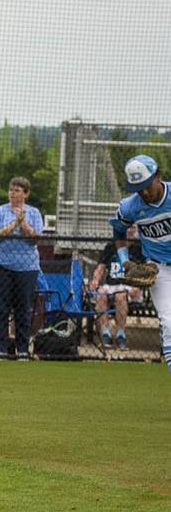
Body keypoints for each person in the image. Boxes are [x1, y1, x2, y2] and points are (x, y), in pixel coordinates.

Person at [111, 155, 171, 372]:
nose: (144, 192)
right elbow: (118, 231)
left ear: (158, 177)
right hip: (160, 269)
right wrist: (125, 261)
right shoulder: (130, 207)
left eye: (147, 186)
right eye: (138, 188)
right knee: (169, 323)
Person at [0, 175, 44, 360]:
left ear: (26, 194)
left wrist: (23, 223)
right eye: (11, 190)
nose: (12, 194)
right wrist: (13, 224)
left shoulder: (33, 213)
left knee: (23, 308)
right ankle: (0, 348)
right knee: (1, 308)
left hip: (26, 268)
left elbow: (35, 239)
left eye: (17, 191)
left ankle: (23, 349)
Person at [90, 225, 139, 350]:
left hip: (130, 286)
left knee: (120, 295)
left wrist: (138, 286)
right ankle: (105, 332)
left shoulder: (138, 248)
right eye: (126, 227)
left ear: (135, 230)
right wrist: (95, 280)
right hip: (111, 285)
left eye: (131, 227)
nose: (128, 230)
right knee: (100, 293)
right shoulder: (111, 247)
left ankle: (120, 334)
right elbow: (100, 268)